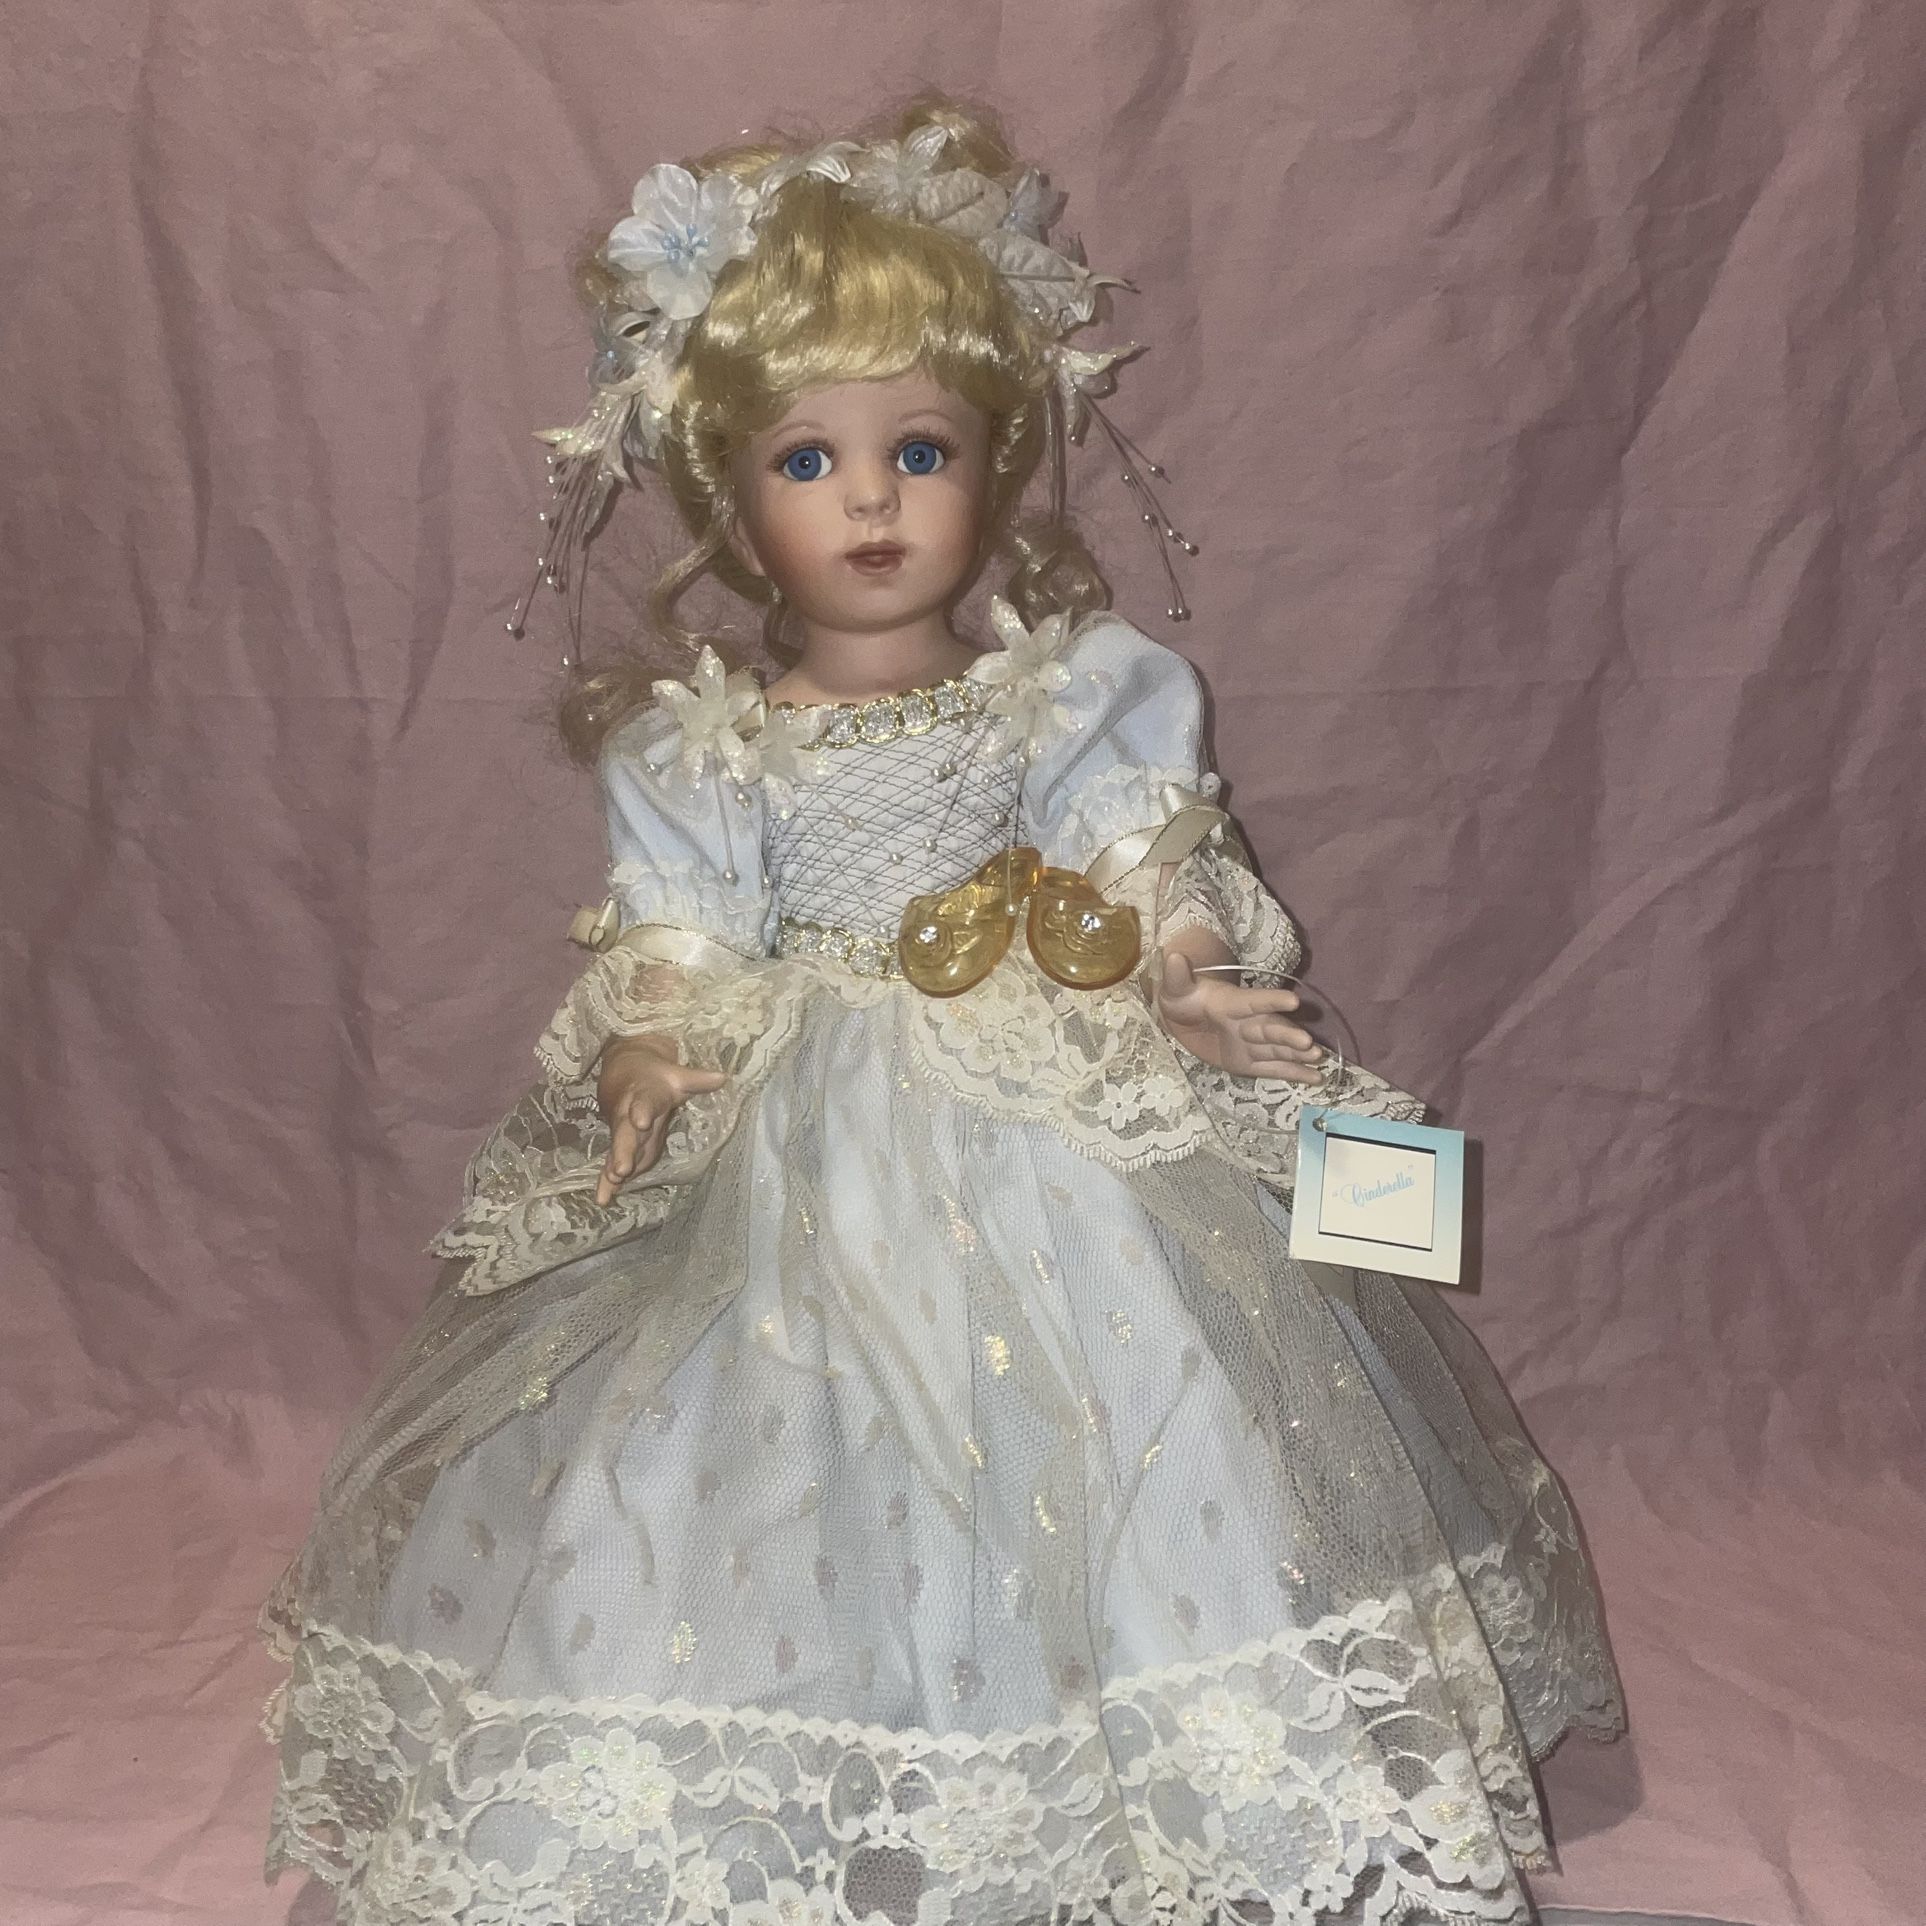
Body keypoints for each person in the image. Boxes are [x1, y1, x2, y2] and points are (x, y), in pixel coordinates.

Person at [259, 95, 1624, 1926]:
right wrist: (651, 1045)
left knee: (1141, 1400)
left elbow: (1136, 861)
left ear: (996, 461)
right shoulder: (703, 743)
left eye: (919, 448)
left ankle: (1165, 1780)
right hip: (803, 1120)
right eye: (806, 458)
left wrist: (1193, 981)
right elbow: (685, 936)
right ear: (728, 493)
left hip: (1037, 1089)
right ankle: (790, 1749)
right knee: (758, 1421)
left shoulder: (1064, 695)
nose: (872, 501)